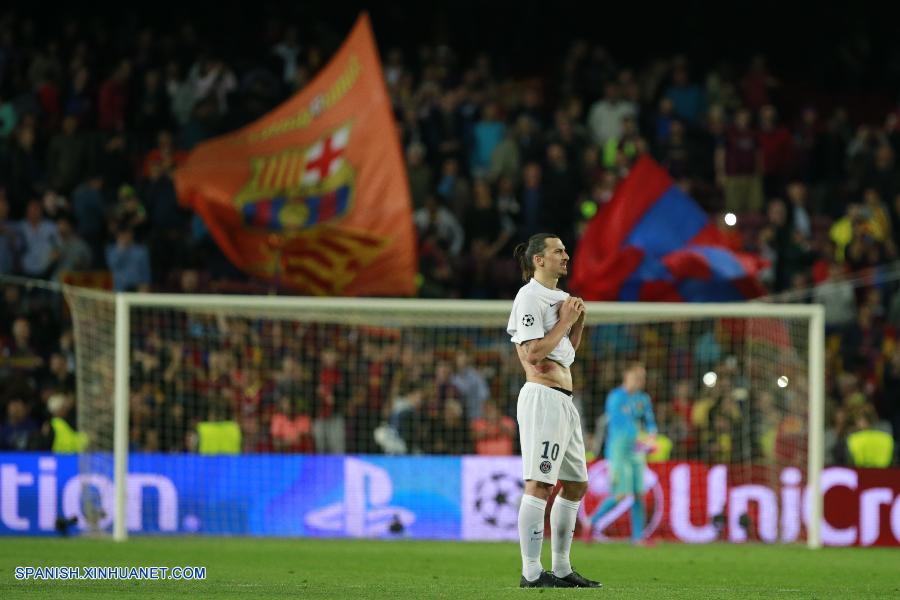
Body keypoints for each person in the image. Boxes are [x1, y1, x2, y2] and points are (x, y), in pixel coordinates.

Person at [507, 233, 600, 589]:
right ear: (538, 260)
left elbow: (567, 354)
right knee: (540, 483)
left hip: (564, 399)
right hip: (542, 398)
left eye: (565, 250)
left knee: (576, 484)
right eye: (558, 251)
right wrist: (564, 321)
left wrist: (576, 323)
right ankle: (531, 572)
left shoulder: (562, 299)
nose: (566, 256)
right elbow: (532, 355)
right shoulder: (529, 297)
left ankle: (561, 568)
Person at [586, 362, 658, 544]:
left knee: (639, 494)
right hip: (618, 451)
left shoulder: (643, 399)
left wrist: (652, 435)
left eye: (643, 378)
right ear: (627, 377)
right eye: (637, 377)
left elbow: (649, 421)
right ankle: (591, 522)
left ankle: (637, 538)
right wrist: (642, 440)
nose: (640, 381)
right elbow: (622, 424)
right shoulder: (616, 397)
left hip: (636, 453)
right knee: (620, 495)